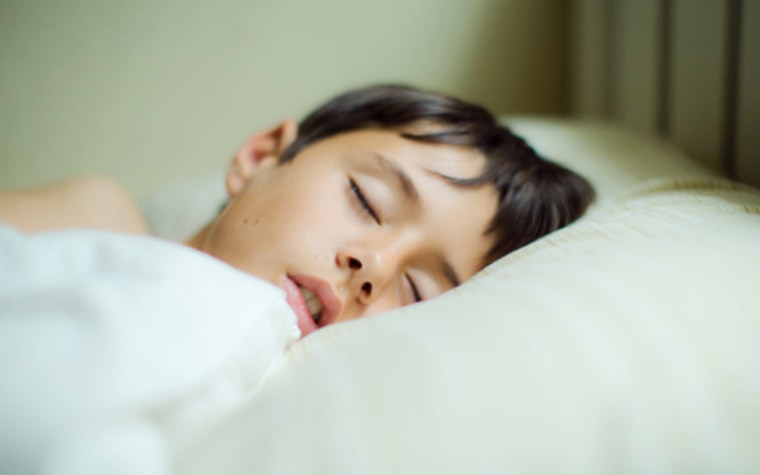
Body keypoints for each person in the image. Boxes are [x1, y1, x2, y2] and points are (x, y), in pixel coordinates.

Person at [0, 84, 595, 338]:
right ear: (261, 156)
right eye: (366, 200)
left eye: (416, 290)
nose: (373, 266)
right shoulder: (99, 220)